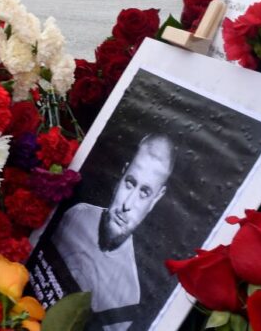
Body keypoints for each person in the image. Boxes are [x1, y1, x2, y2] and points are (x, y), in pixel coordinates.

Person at [52, 134, 176, 331]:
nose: (128, 204)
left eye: (144, 193)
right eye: (130, 183)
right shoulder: (76, 215)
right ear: (122, 173)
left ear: (156, 199)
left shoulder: (128, 296)